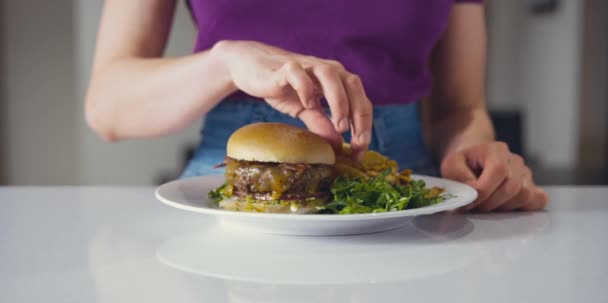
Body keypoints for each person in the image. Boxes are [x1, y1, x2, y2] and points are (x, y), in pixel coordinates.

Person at [85, 0, 548, 212]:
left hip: (402, 186)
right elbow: (107, 105)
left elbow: (460, 107)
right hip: (231, 185)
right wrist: (224, 63)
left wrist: (474, 154)